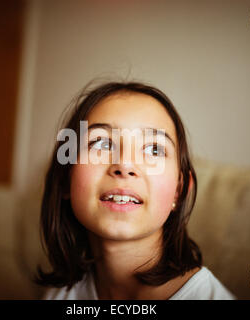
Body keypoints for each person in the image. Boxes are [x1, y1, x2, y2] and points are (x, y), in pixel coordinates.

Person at [36, 81, 235, 300]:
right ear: (65, 178)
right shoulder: (60, 295)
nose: (125, 165)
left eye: (154, 149)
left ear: (179, 190)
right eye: (101, 143)